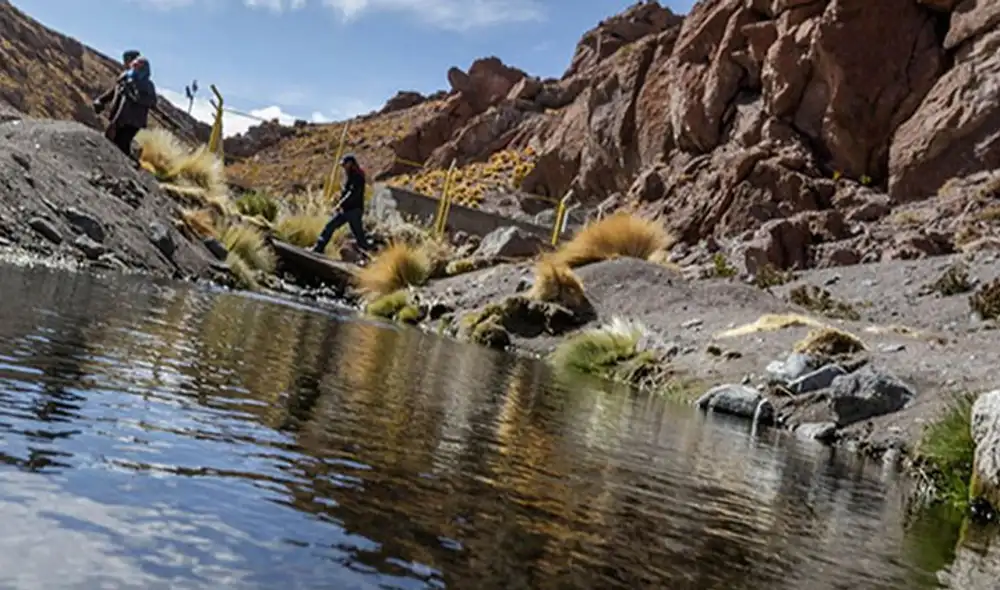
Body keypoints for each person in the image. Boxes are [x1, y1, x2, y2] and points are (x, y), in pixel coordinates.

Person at [92, 53, 157, 161]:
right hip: (118, 117)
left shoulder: (148, 85)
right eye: (134, 65)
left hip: (134, 122)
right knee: (111, 140)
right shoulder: (125, 77)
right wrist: (101, 100)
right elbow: (114, 91)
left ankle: (131, 169)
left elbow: (152, 101)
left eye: (139, 66)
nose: (135, 68)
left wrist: (136, 97)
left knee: (122, 143)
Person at [313, 154, 373, 255]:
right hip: (347, 210)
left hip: (353, 210)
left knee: (358, 235)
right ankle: (318, 249)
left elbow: (352, 193)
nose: (343, 167)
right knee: (330, 226)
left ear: (350, 164)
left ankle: (369, 255)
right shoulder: (352, 176)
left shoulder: (357, 176)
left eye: (344, 164)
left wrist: (341, 202)